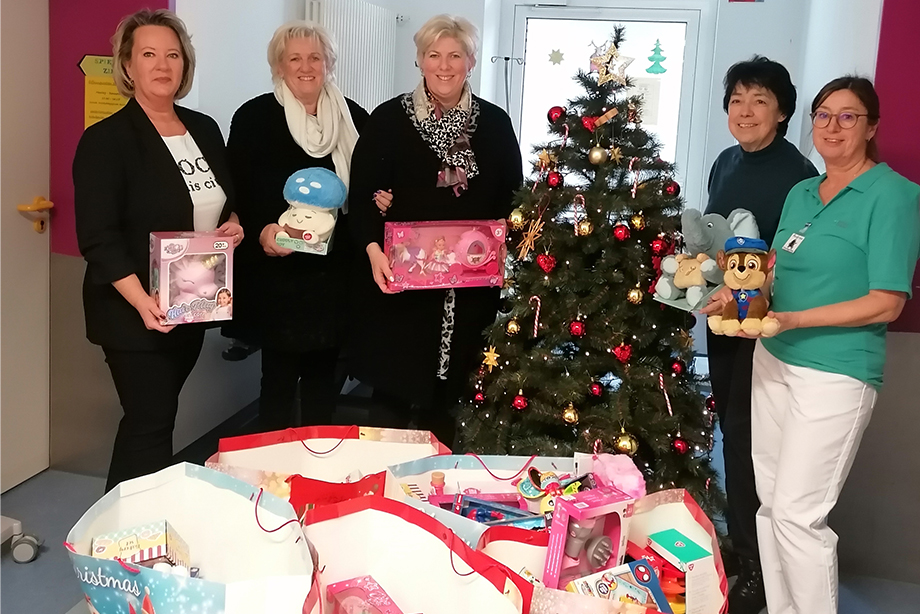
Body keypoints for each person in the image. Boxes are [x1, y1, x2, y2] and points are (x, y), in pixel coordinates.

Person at [719, 77, 919, 614]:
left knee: (797, 514)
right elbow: (773, 270)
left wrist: (795, 318)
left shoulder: (894, 196)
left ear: (872, 126)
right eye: (824, 115)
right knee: (769, 508)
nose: (832, 127)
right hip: (774, 360)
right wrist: (739, 297)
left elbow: (887, 301)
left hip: (835, 372)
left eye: (848, 117)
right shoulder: (802, 192)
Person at [74, 9, 243, 491]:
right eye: (148, 54)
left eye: (172, 54)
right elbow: (98, 238)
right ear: (127, 66)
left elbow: (226, 201)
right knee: (150, 422)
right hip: (133, 309)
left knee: (152, 421)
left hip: (189, 304)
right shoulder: (106, 140)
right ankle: (131, 540)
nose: (162, 65)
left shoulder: (204, 129)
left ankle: (119, 529)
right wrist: (142, 301)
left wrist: (234, 225)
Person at [348, 14, 523, 447]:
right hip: (400, 288)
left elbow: (513, 197)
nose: (444, 66)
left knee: (453, 402)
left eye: (455, 55)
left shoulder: (495, 124)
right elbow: (362, 197)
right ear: (420, 61)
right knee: (390, 398)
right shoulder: (388, 120)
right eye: (433, 55)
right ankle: (378, 490)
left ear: (471, 61)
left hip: (470, 293)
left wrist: (506, 239)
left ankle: (442, 495)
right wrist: (373, 251)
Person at [700, 56, 817, 614]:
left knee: (752, 447)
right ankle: (744, 550)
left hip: (764, 330)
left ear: (783, 112)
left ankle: (757, 572)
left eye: (760, 101)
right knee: (730, 431)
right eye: (737, 101)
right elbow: (719, 240)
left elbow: (786, 258)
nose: (744, 112)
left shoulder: (797, 175)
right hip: (723, 324)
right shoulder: (726, 162)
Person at [228, 21, 368, 431]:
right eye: (295, 58)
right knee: (277, 382)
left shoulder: (353, 117)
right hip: (278, 273)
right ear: (279, 66)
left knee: (325, 384)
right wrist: (261, 231)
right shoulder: (254, 117)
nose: (306, 67)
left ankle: (318, 470)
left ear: (329, 64)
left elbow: (364, 188)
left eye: (315, 57)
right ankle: (270, 477)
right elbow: (237, 191)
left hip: (333, 275)